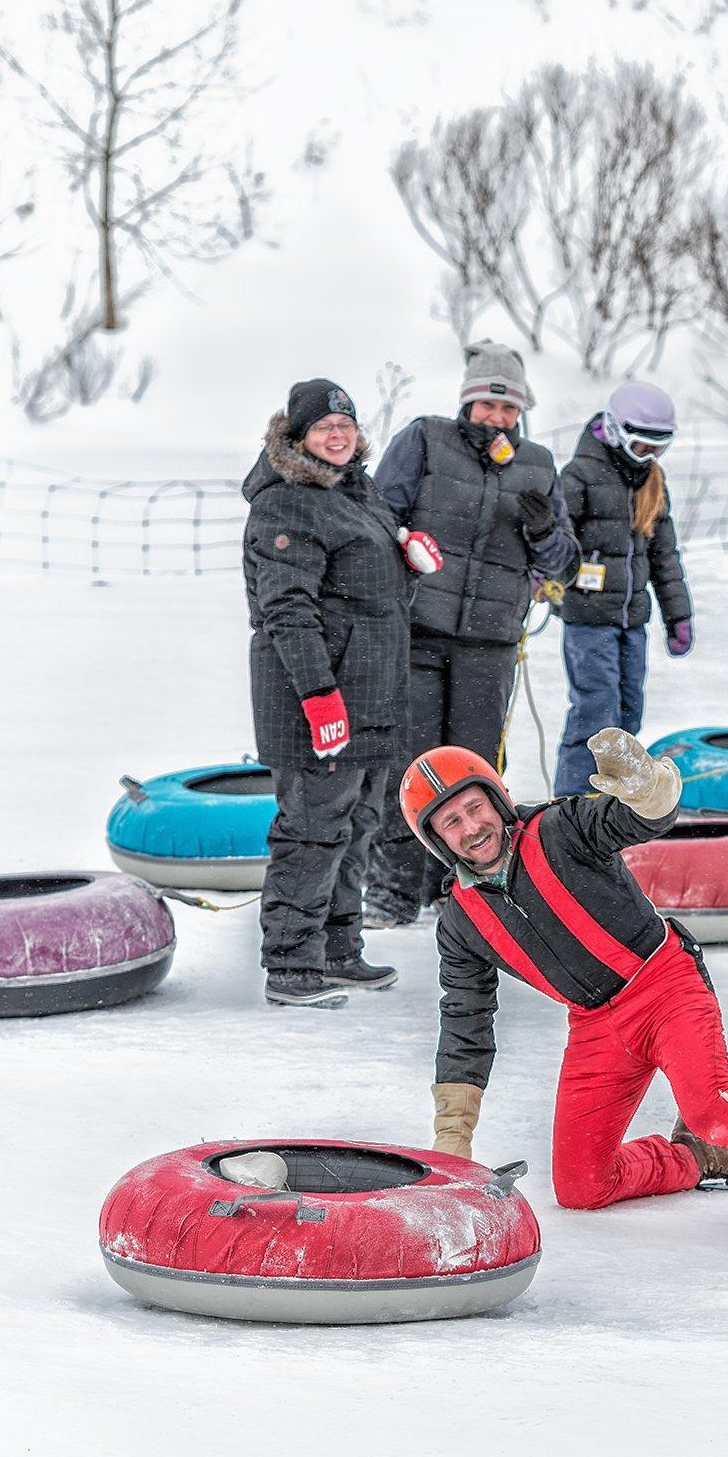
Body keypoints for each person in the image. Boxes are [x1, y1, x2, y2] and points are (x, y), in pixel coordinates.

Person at [404, 729, 728, 1230]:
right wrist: (453, 1134)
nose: (472, 827)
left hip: (665, 984)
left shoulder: (560, 827)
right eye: (451, 822)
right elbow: (465, 1019)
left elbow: (639, 819)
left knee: (710, 1106)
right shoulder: (460, 921)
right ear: (436, 840)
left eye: (475, 808)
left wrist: (647, 788)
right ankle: (699, 1157)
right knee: (580, 1186)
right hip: (596, 1027)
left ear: (498, 799)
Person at [365, 341, 578, 930]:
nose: (499, 418)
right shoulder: (425, 439)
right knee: (411, 764)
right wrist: (405, 550)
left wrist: (542, 533)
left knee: (475, 771)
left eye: (509, 410)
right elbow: (379, 514)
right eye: (489, 405)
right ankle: (392, 888)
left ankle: (462, 886)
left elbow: (563, 559)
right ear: (468, 401)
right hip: (419, 632)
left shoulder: (536, 462)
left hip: (491, 642)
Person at [241, 378, 437, 1007]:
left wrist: (406, 564)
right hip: (316, 696)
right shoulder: (284, 503)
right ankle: (291, 965)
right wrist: (319, 696)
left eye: (346, 425)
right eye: (325, 426)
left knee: (357, 823)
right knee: (312, 828)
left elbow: (368, 599)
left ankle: (337, 950)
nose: (337, 435)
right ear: (297, 436)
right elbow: (287, 609)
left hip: (372, 692)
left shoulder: (360, 492)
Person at [552, 382, 693, 797]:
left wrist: (678, 614)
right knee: (596, 714)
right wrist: (547, 583)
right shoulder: (578, 476)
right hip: (588, 619)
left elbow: (664, 557)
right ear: (615, 432)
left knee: (629, 714)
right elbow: (555, 545)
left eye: (658, 449)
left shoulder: (652, 483)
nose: (650, 458)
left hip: (631, 620)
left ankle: (613, 806)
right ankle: (572, 805)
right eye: (641, 447)